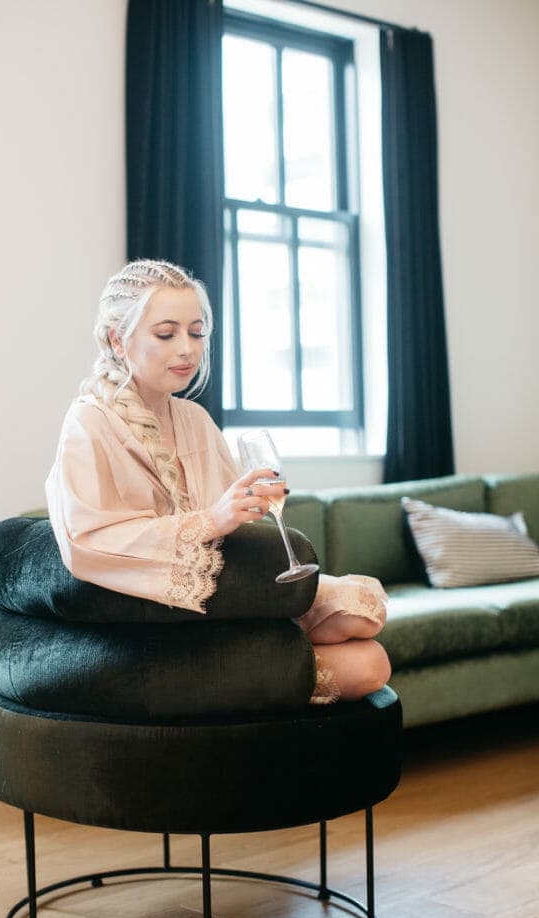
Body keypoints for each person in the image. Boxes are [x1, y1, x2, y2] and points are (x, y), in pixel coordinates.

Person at [45, 259, 391, 704]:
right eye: (166, 334)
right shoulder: (89, 423)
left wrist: (247, 504)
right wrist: (208, 521)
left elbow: (234, 526)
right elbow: (87, 542)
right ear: (118, 339)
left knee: (366, 608)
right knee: (369, 666)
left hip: (231, 596)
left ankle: (261, 664)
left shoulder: (193, 419)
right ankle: (250, 674)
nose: (187, 349)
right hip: (163, 614)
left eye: (196, 331)